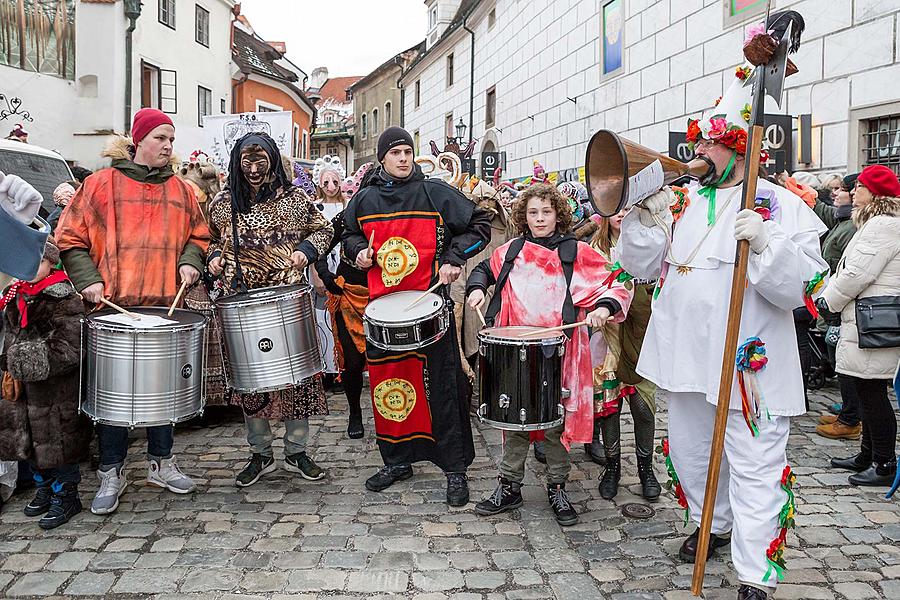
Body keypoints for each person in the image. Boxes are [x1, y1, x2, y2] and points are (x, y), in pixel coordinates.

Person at [617, 63, 828, 600]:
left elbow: (803, 288)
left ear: (741, 149)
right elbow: (643, 268)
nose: (699, 152)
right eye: (700, 141)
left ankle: (756, 572)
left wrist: (765, 244)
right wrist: (642, 220)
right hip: (684, 357)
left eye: (712, 144)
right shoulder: (683, 202)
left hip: (746, 362)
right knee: (690, 450)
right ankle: (714, 522)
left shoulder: (781, 205)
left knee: (755, 462)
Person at [55, 108, 210, 515]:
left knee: (160, 390)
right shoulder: (99, 185)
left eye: (171, 140)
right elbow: (69, 236)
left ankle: (161, 461)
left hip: (163, 303)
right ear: (138, 140)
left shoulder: (181, 190)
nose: (168, 146)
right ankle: (112, 470)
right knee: (114, 395)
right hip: (114, 306)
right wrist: (87, 277)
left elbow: (199, 233)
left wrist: (191, 260)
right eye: (160, 138)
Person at [465, 184, 632, 525]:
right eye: (533, 213)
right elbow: (484, 270)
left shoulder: (575, 251)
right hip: (516, 347)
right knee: (513, 421)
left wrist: (603, 306)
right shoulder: (512, 250)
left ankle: (557, 487)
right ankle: (509, 486)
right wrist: (478, 289)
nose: (540, 219)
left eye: (546, 212)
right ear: (523, 217)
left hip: (560, 350)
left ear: (558, 214)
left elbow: (616, 282)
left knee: (556, 421)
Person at [342, 126, 491, 506]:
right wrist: (358, 251)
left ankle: (454, 469)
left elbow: (480, 225)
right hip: (383, 311)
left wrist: (453, 259)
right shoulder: (364, 200)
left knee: (443, 388)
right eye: (396, 153)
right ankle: (397, 460)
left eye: (408, 151)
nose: (404, 158)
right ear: (382, 159)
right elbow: (346, 236)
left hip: (430, 308)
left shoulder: (435, 193)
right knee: (387, 386)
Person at [206, 132, 333, 487]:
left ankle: (296, 451)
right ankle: (260, 452)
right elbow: (210, 238)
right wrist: (214, 257)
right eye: (247, 161)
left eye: (261, 160)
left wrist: (305, 252)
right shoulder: (223, 201)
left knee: (297, 379)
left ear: (273, 160)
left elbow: (324, 230)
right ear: (237, 162)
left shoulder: (294, 198)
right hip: (242, 301)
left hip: (286, 297)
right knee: (251, 381)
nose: (254, 168)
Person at [818, 165, 900, 487]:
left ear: (875, 194)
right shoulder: (877, 223)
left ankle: (883, 463)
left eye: (860, 186)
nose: (853, 192)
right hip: (866, 320)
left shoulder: (881, 225)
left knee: (872, 393)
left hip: (873, 323)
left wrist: (828, 301)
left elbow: (857, 274)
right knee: (866, 391)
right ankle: (868, 454)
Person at [0, 238, 91, 529]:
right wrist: (7, 362)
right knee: (30, 443)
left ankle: (66, 494)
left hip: (55, 392)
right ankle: (44, 486)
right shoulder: (15, 296)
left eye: (37, 261)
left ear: (52, 262)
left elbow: (70, 348)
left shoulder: (64, 297)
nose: (29, 267)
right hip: (24, 390)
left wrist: (19, 360)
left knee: (57, 443)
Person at [590, 206, 661, 501]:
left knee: (643, 406)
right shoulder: (595, 249)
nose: (622, 214)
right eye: (616, 209)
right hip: (607, 338)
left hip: (643, 332)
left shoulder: (655, 243)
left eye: (630, 209)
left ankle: (646, 470)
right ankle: (613, 467)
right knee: (611, 406)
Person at [314, 163, 375, 439]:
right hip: (349, 294)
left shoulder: (394, 218)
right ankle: (355, 412)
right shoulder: (349, 216)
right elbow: (320, 247)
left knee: (387, 362)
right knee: (352, 362)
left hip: (386, 298)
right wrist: (328, 279)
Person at [815, 173, 862, 440]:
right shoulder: (848, 219)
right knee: (843, 361)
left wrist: (828, 300)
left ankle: (852, 418)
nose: (845, 194)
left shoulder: (860, 224)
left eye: (848, 189)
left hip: (847, 304)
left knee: (854, 368)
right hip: (838, 301)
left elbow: (854, 272)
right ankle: (850, 412)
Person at [309, 156, 347, 384]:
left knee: (343, 317)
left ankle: (343, 365)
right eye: (326, 183)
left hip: (341, 265)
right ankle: (326, 367)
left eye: (335, 182)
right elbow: (311, 241)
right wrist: (315, 272)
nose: (331, 187)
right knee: (321, 318)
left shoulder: (347, 206)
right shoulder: (314, 208)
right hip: (322, 266)